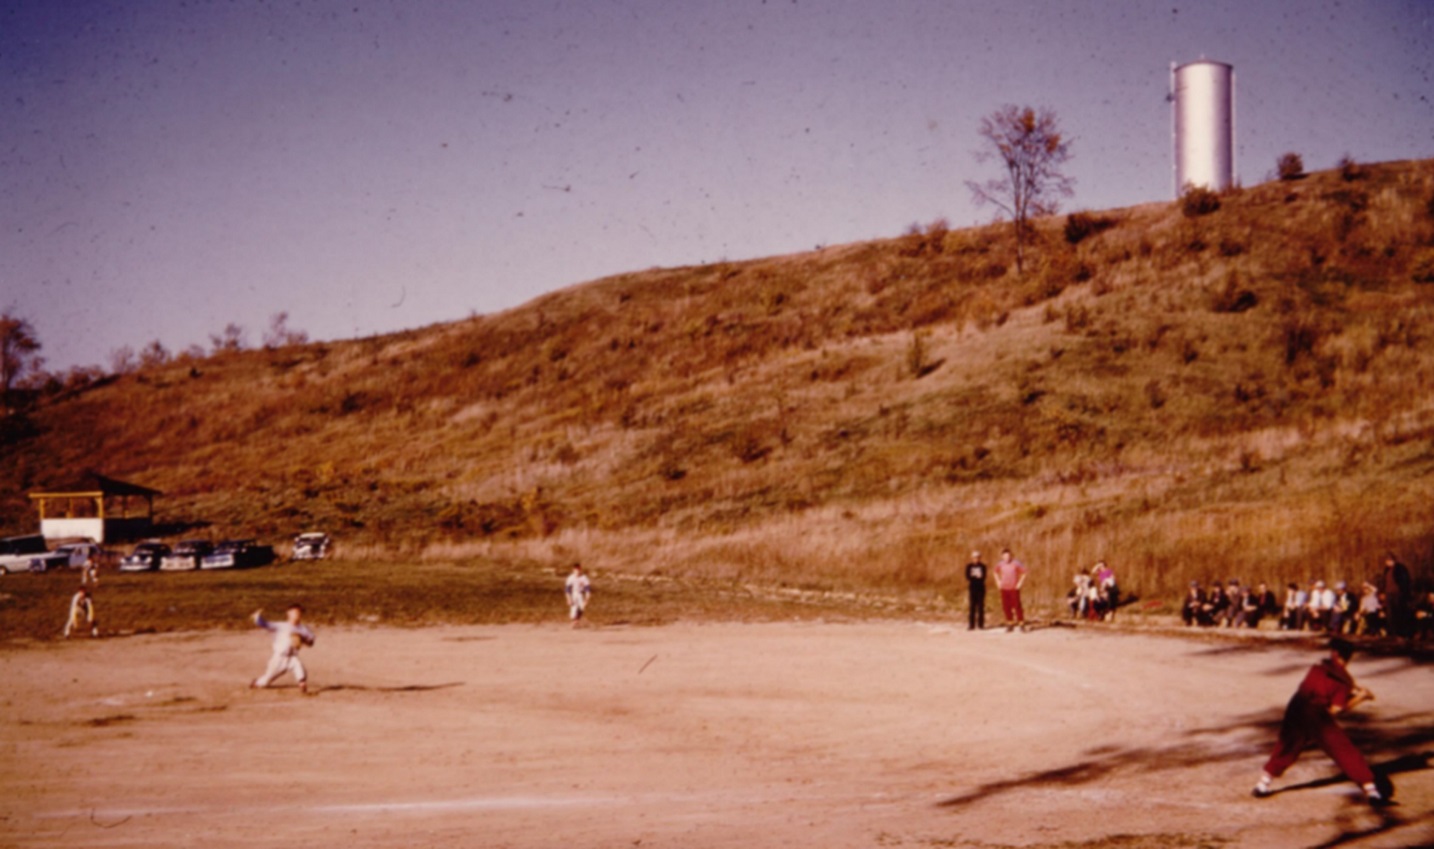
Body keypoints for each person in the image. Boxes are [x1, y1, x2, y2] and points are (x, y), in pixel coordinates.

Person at [1252, 638, 1387, 806]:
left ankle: (1263, 783)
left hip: (1296, 706)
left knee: (1287, 746)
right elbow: (1335, 710)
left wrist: (1350, 690)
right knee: (1343, 749)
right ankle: (1371, 789)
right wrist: (1359, 697)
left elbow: (1324, 684)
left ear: (1335, 653)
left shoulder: (1316, 669)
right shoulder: (1344, 682)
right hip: (1317, 714)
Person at [251, 604, 316, 693]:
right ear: (289, 613)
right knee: (266, 681)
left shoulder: (304, 629)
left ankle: (302, 684)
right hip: (279, 658)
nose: (298, 614)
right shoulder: (281, 626)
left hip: (292, 657)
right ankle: (257, 683)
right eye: (295, 612)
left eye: (300, 612)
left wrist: (303, 639)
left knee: (299, 667)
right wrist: (257, 617)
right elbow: (265, 624)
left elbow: (311, 642)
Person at [1379, 554, 1413, 638]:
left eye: (1388, 560)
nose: (1386, 562)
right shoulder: (1387, 570)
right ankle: (1392, 632)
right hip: (1389, 594)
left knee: (1399, 613)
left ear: (1391, 560)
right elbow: (1385, 582)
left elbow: (1405, 581)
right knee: (1390, 614)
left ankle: (1401, 632)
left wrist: (1403, 592)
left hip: (1398, 594)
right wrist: (1383, 592)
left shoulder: (1400, 569)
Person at [993, 549, 1028, 632]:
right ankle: (1010, 623)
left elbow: (1024, 572)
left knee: (1017, 606)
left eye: (1008, 556)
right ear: (1002, 556)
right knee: (1006, 607)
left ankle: (1021, 624)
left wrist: (1020, 583)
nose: (1007, 558)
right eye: (1005, 556)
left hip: (1013, 588)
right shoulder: (1000, 564)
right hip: (1004, 588)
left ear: (1011, 556)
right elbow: (995, 572)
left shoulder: (1016, 563)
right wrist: (998, 581)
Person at [964, 551, 987, 631]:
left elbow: (983, 577)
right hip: (972, 588)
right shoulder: (969, 566)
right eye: (974, 557)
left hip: (981, 588)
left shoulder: (983, 566)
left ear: (979, 558)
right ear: (972, 558)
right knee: (972, 607)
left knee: (981, 607)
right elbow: (967, 576)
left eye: (977, 557)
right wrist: (975, 577)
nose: (976, 559)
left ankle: (981, 624)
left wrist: (975, 577)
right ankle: (971, 624)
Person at [565, 563, 591, 627]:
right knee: (573, 608)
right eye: (576, 570)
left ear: (581, 570)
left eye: (579, 570)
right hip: (573, 594)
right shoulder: (570, 578)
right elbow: (567, 590)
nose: (577, 572)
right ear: (573, 570)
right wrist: (569, 599)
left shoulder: (584, 578)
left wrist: (586, 599)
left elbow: (588, 590)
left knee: (582, 607)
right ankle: (575, 621)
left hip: (580, 594)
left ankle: (576, 621)